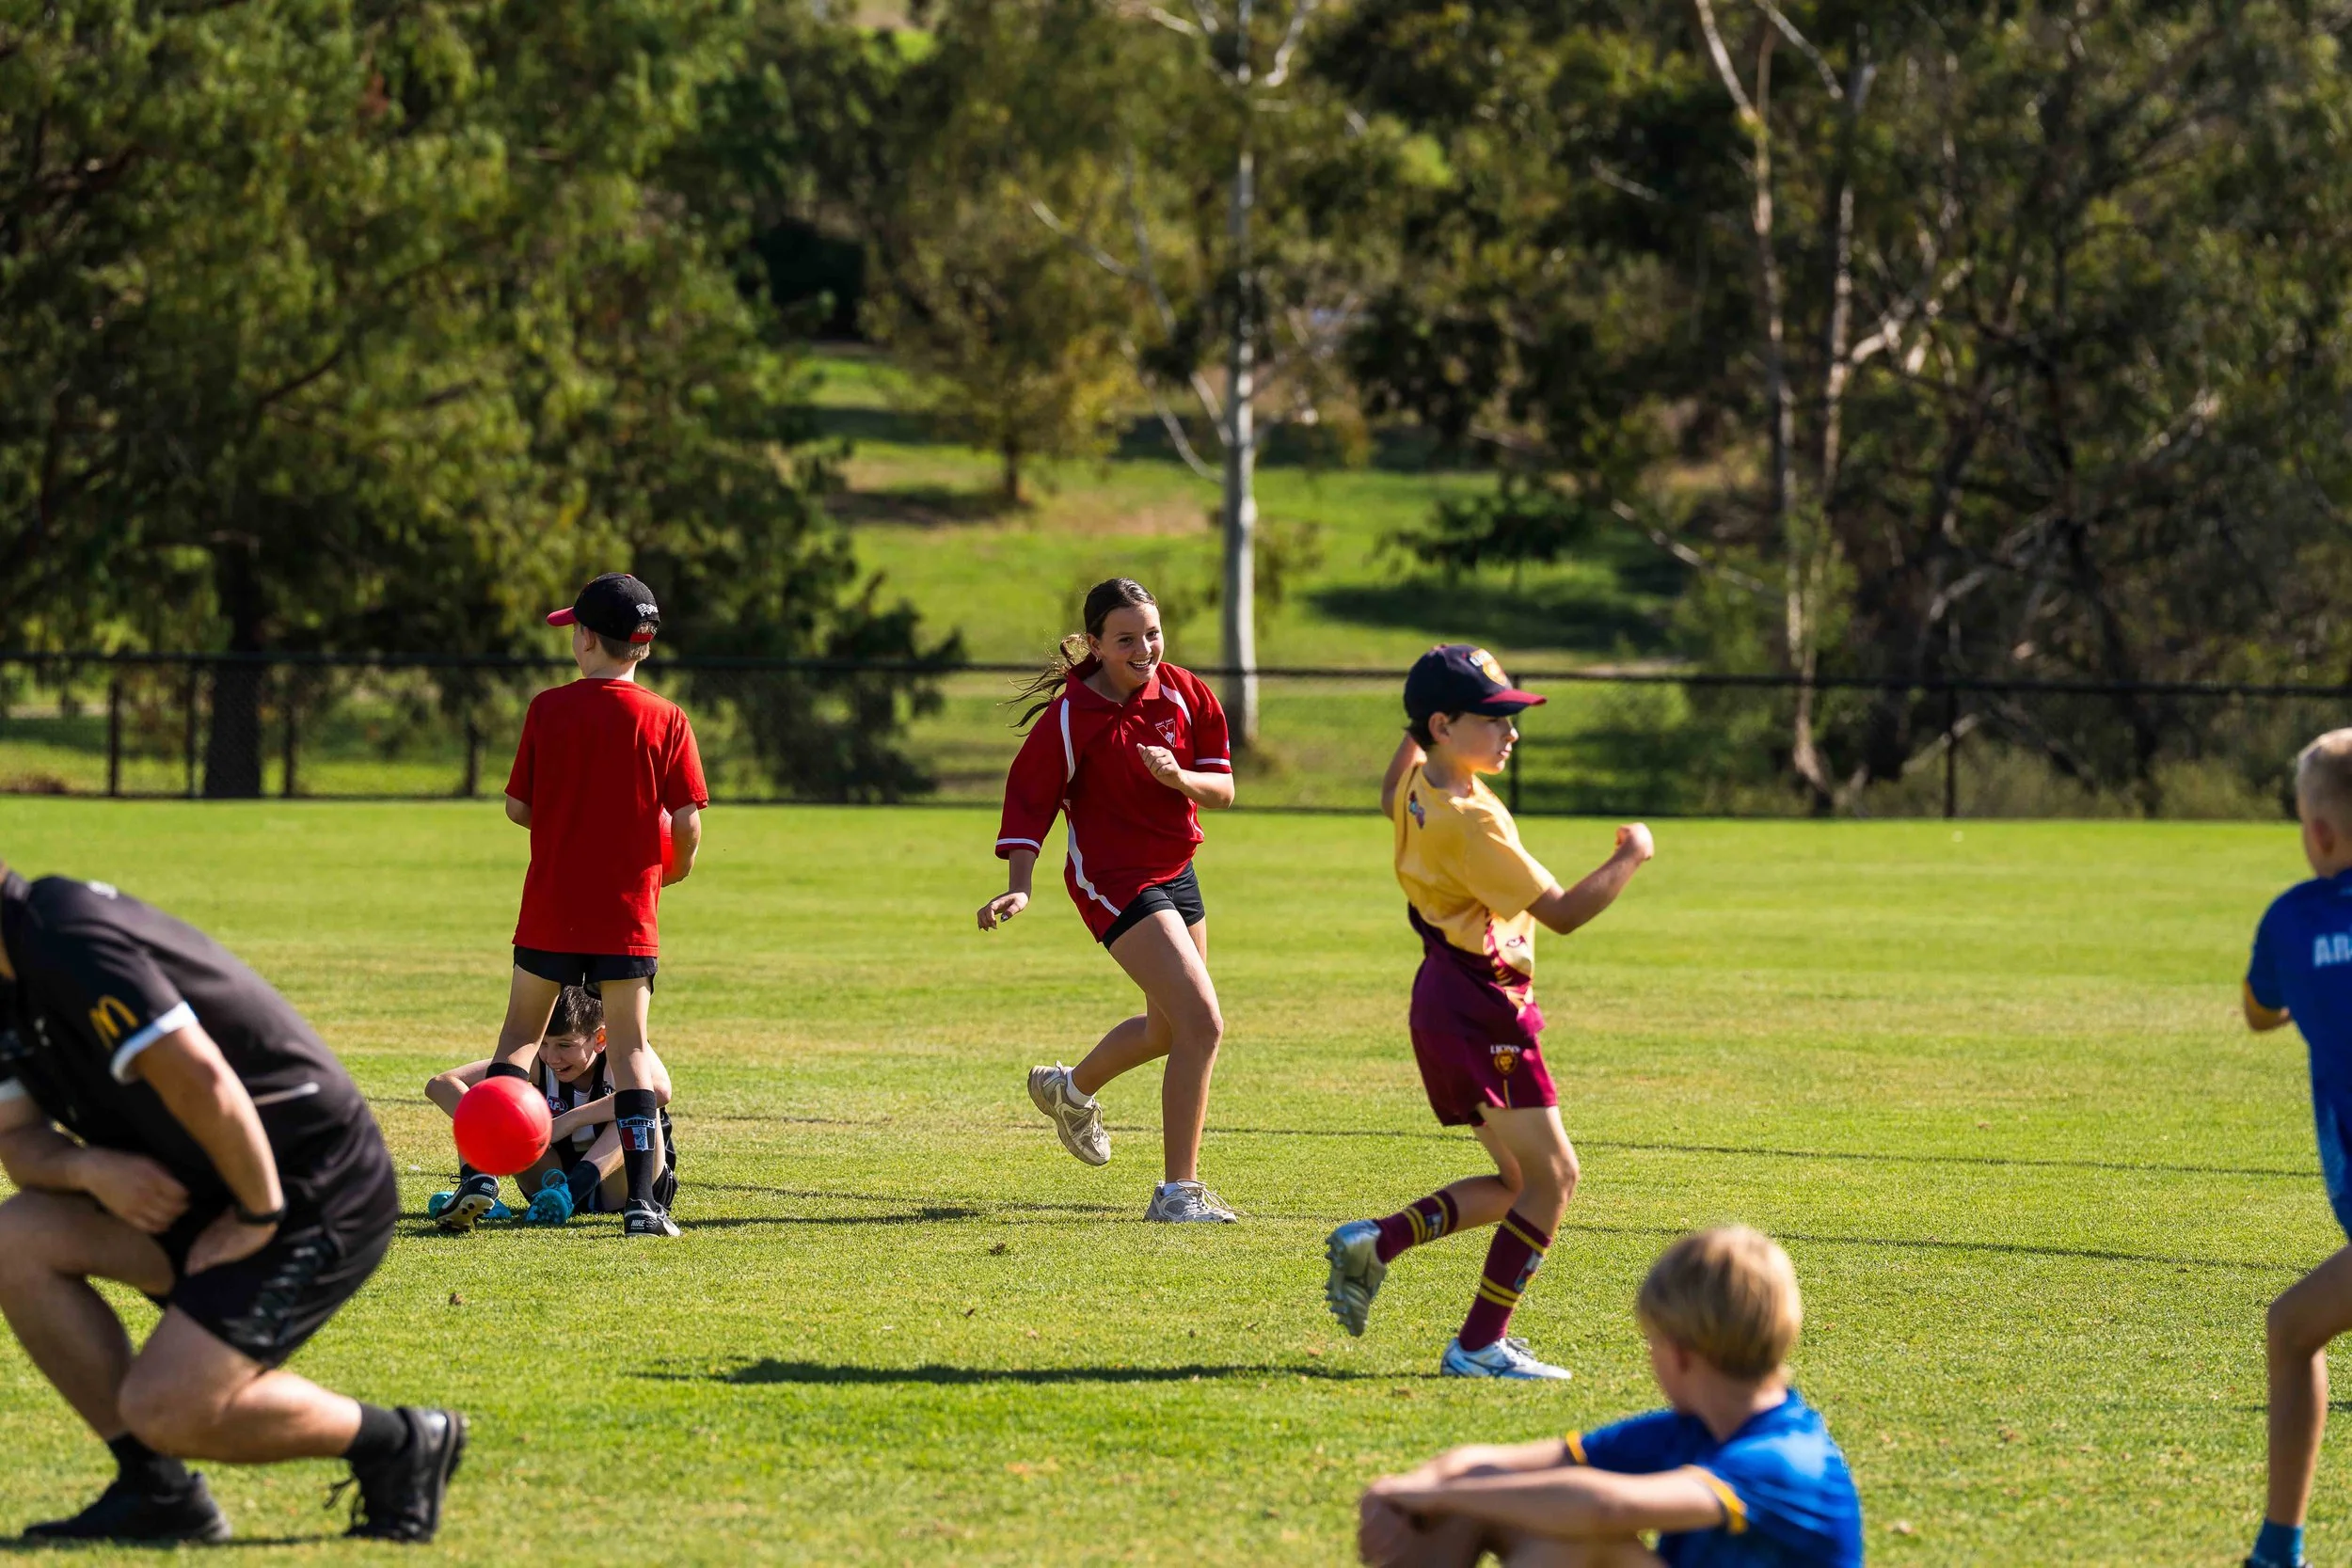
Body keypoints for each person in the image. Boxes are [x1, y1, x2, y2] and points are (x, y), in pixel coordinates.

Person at [0, 864, 464, 1544]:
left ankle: (402, 1442)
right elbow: (16, 1138)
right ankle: (156, 1490)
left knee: (167, 1406)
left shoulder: (64, 931)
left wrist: (258, 1213)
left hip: (312, 1183)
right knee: (16, 1237)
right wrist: (87, 1165)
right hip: (204, 1187)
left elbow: (203, 1078)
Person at [1324, 645, 1653, 1379]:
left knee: (1516, 1183)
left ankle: (1378, 1242)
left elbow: (1389, 789)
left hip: (1443, 998)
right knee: (1555, 1178)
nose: (1512, 732)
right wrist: (1633, 853)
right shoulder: (1472, 820)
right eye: (1494, 717)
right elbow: (1564, 912)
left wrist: (1424, 715)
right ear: (1444, 725)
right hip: (1481, 1007)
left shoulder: (1418, 784)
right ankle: (1478, 1344)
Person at [1358, 1227, 1863, 1568]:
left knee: (1590, 1547)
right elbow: (1488, 1466)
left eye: (1653, 1343)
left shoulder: (1783, 1459)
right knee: (1488, 1503)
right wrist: (1415, 1490)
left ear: (1682, 1355)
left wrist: (1438, 1495)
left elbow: (1607, 1509)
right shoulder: (1690, 1430)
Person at [978, 578, 1239, 1223]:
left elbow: (1224, 789)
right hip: (1114, 879)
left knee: (1168, 1028)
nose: (1145, 648)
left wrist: (1180, 777)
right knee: (1204, 1021)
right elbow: (1030, 798)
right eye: (1126, 639)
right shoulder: (1072, 716)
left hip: (1176, 869)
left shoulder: (1185, 691)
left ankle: (1069, 1090)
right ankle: (1179, 1194)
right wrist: (1019, 883)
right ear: (1095, 644)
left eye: (1152, 632)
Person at [487, 571, 706, 1240]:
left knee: (520, 1038)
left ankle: (477, 1175)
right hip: (627, 914)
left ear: (584, 638)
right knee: (632, 1048)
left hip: (552, 905)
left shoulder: (547, 709)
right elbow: (687, 819)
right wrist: (671, 870)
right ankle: (643, 1202)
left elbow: (518, 806)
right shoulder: (667, 718)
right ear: (641, 647)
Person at [2240, 727, 2352, 1568]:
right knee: (2292, 1325)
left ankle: (2277, 1553)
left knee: (2290, 1332)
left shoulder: (2293, 920)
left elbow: (2259, 1009)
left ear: (2319, 833)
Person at [424, 985, 677, 1229]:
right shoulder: (538, 1062)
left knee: (638, 1104)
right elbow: (441, 1084)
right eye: (544, 1044)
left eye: (565, 1045)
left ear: (600, 1038)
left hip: (623, 1189)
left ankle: (574, 1190)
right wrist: (494, 1121)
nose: (552, 1057)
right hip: (549, 1185)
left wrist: (570, 1120)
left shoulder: (623, 1049)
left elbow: (659, 1091)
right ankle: (480, 1188)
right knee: (491, 1099)